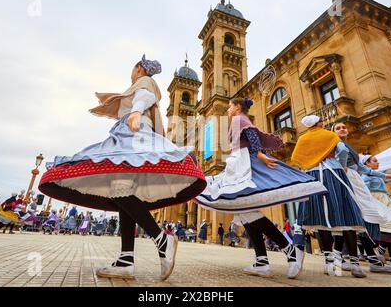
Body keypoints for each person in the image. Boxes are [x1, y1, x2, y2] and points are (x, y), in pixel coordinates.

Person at [39, 55, 206, 280]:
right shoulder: (139, 84)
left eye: (133, 68)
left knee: (120, 189)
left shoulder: (145, 82)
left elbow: (145, 97)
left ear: (139, 69)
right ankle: (126, 260)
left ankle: (162, 240)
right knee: (124, 193)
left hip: (132, 135)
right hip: (130, 134)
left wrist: (136, 112)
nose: (132, 72)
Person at [196, 98, 327, 279]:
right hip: (238, 163)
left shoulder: (238, 119)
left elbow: (251, 136)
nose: (228, 110)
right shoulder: (239, 119)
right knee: (244, 210)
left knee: (244, 209)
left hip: (244, 164)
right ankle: (262, 261)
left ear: (238, 107)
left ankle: (289, 251)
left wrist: (259, 155)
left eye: (230, 106)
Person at [292, 115, 367, 278]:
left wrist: (310, 163)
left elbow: (296, 158)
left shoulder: (303, 139)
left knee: (319, 218)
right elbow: (343, 150)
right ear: (319, 123)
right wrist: (341, 165)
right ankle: (354, 263)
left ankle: (329, 263)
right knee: (346, 214)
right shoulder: (329, 135)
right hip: (334, 173)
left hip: (312, 175)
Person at [332, 122, 391, 273]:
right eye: (338, 128)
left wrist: (385, 175)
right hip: (345, 181)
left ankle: (339, 257)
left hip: (356, 182)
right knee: (356, 219)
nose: (342, 129)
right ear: (332, 132)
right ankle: (340, 258)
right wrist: (341, 167)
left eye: (344, 127)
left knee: (359, 220)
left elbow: (363, 169)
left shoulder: (350, 146)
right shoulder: (333, 144)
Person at [362, 154, 391, 265]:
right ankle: (379, 250)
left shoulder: (377, 176)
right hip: (378, 201)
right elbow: (365, 189)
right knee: (386, 226)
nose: (378, 162)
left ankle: (381, 250)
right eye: (374, 161)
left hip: (385, 201)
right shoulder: (367, 176)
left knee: (389, 226)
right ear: (367, 163)